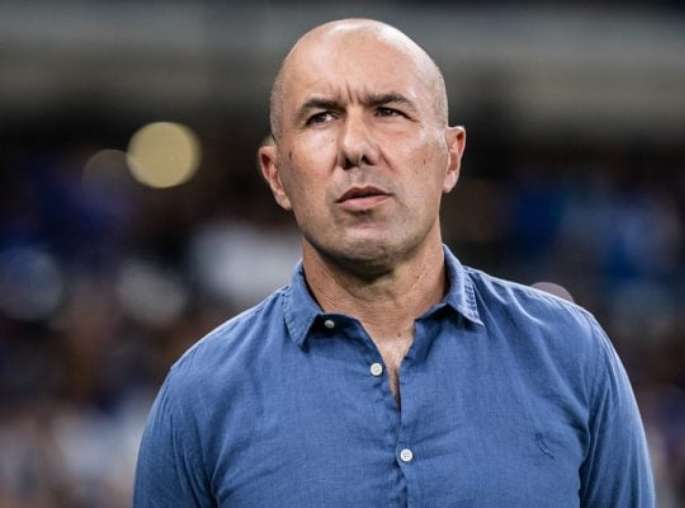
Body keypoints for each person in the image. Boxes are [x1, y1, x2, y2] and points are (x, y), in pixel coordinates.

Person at [133, 18, 655, 507]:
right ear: (276, 175)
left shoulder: (571, 355)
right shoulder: (201, 395)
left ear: (451, 157)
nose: (355, 146)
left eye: (388, 111)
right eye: (321, 117)